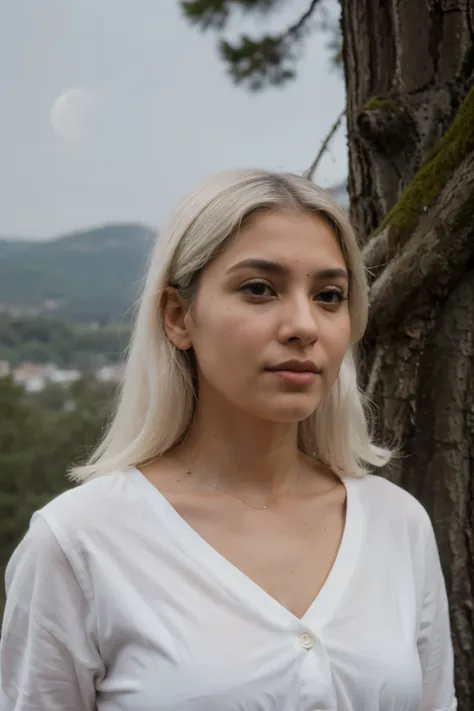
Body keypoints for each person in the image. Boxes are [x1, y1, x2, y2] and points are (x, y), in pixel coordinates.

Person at [0, 170, 456, 711]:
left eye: (329, 296)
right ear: (177, 317)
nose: (303, 325)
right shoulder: (80, 542)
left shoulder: (396, 524)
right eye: (259, 289)